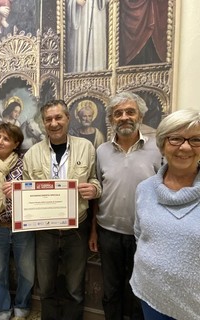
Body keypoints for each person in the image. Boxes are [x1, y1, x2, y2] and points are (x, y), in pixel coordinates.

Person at [23, 99, 101, 320]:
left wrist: (94, 190)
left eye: (58, 117)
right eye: (48, 119)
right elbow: (27, 194)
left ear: (68, 119)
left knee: (75, 288)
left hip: (77, 227)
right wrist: (17, 195)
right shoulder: (31, 154)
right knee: (45, 287)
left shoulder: (86, 148)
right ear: (43, 122)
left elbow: (95, 180)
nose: (54, 123)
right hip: (44, 232)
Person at [88, 91, 162, 320]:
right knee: (111, 290)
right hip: (108, 233)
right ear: (110, 119)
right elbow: (97, 193)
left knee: (139, 292)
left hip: (145, 235)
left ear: (140, 115)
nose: (124, 117)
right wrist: (93, 231)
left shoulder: (158, 148)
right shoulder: (101, 151)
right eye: (117, 113)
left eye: (130, 112)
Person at [130, 109, 200, 319]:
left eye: (195, 139)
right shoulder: (145, 188)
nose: (185, 147)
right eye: (175, 139)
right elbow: (139, 234)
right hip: (150, 294)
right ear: (162, 145)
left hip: (193, 306)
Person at [0, 123, 34, 320]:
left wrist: (21, 188)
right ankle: (2, 307)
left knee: (27, 270)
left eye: (5, 138)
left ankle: (22, 303)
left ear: (15, 143)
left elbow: (36, 189)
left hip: (22, 226)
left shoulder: (25, 164)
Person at [66, 0, 108, 72]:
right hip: (80, 16)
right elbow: (63, 3)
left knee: (97, 42)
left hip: (97, 14)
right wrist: (75, 1)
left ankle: (99, 76)